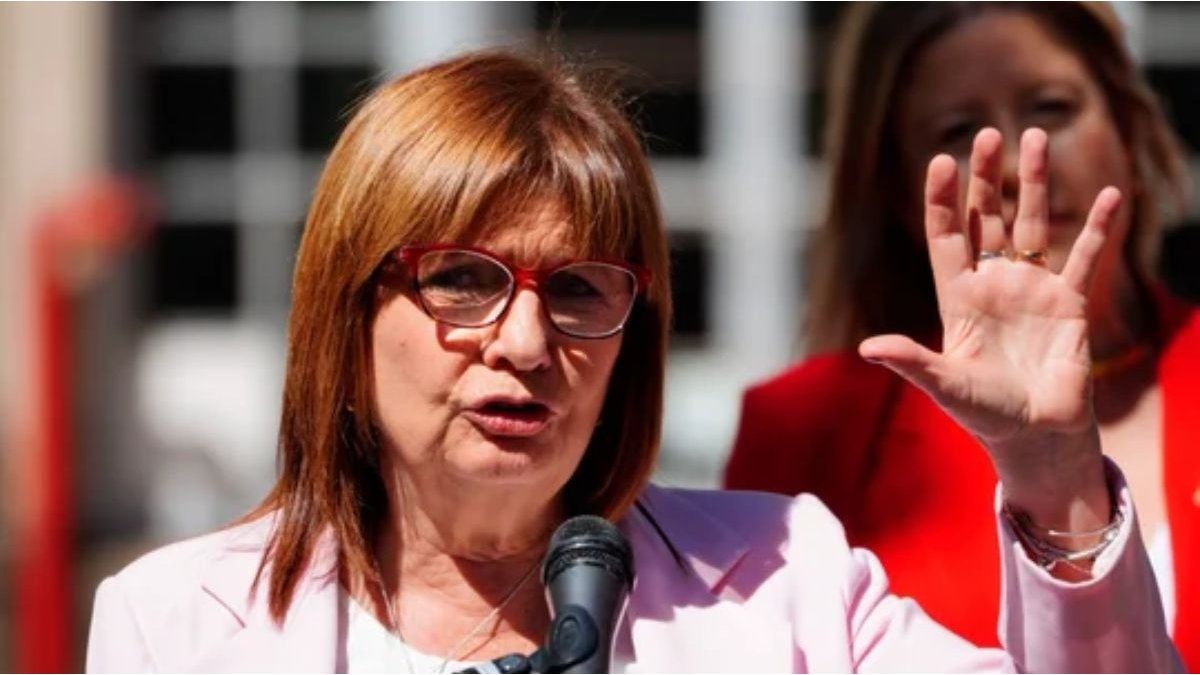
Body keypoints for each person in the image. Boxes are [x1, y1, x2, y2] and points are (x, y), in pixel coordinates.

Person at [86, 50, 1177, 673]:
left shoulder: (791, 580)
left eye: (579, 290)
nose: (526, 344)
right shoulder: (173, 623)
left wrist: (1052, 472)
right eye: (462, 278)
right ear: (347, 306)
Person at [724, 1, 1200, 668]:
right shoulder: (805, 429)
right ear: (898, 191)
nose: (1015, 160)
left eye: (1052, 108)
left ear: (1128, 128)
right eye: (958, 130)